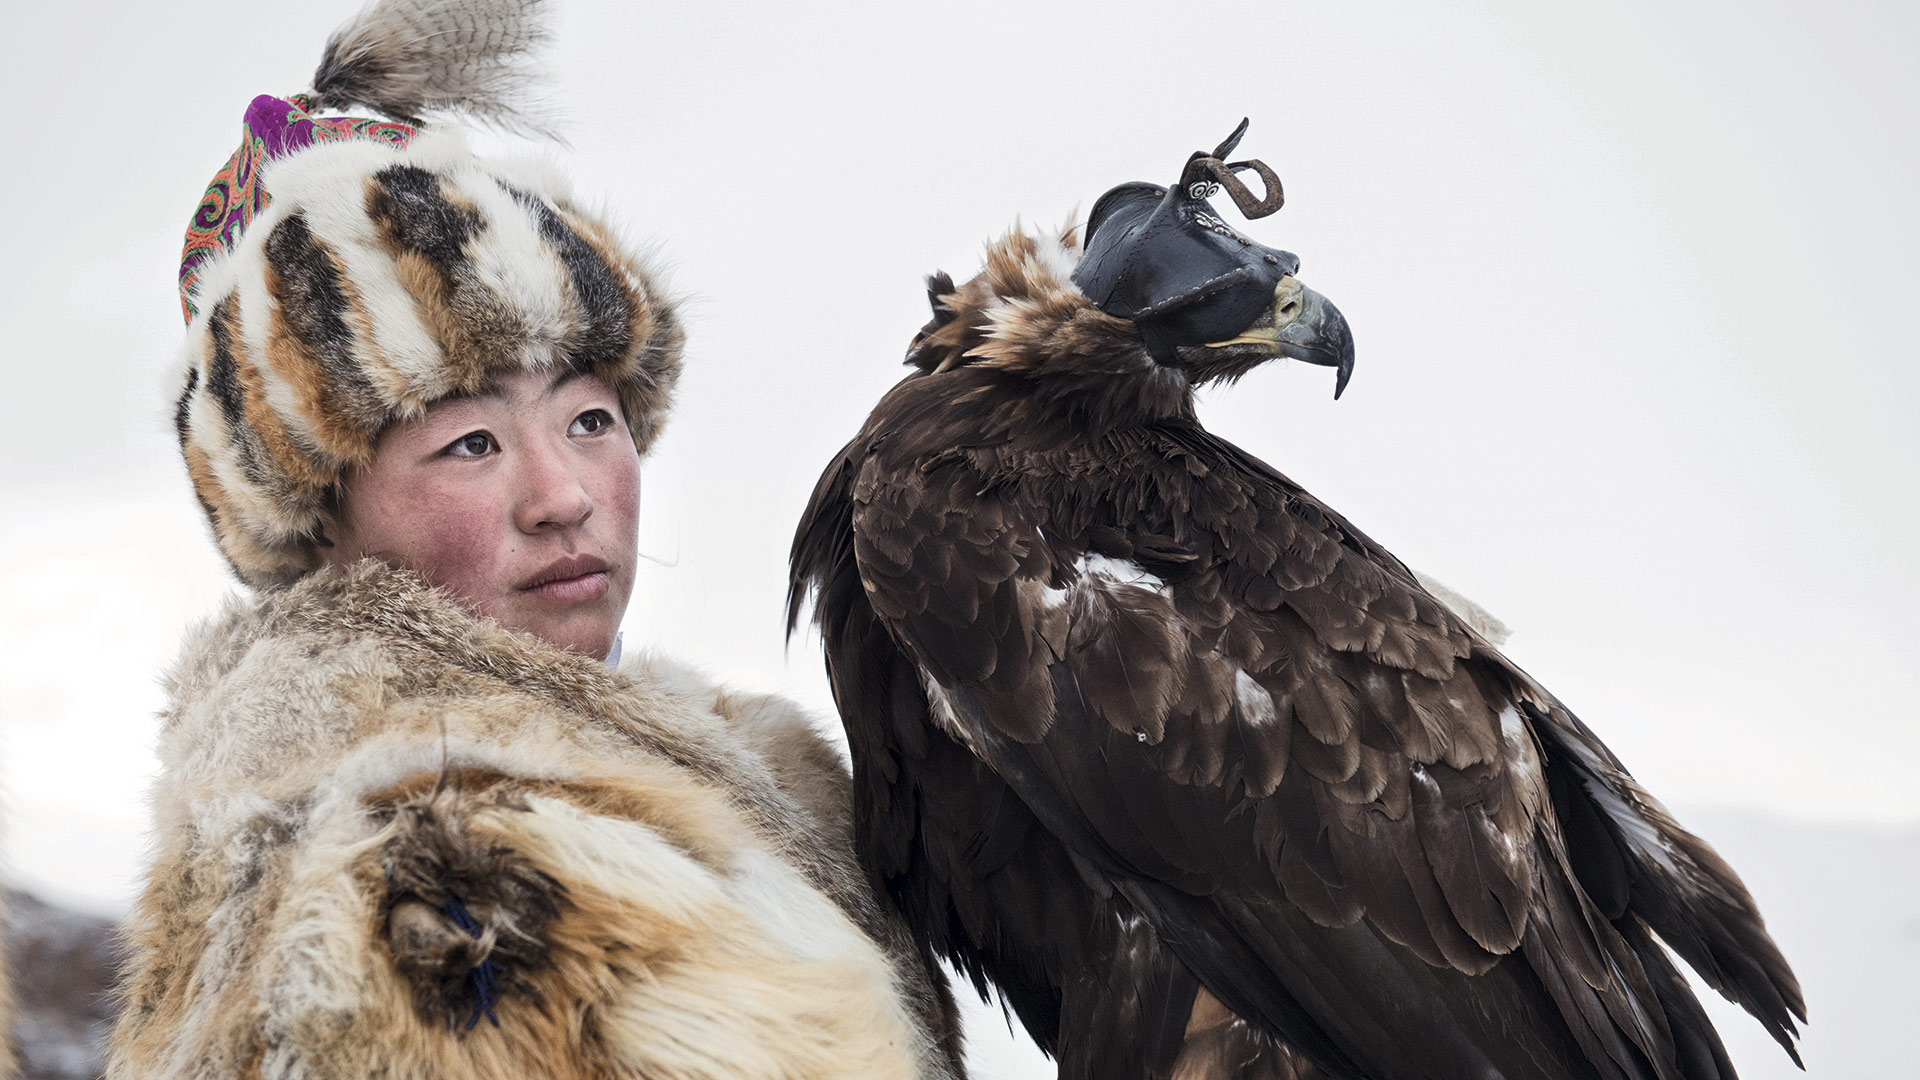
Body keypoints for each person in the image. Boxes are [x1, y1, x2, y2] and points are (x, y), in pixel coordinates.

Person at [107, 2, 963, 1077]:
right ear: (320, 516)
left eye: (590, 420)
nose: (562, 495)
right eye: (469, 442)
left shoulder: (748, 771)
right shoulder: (435, 882)